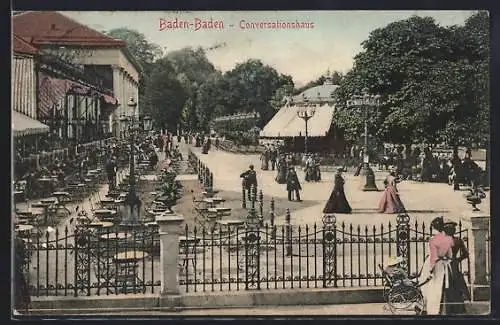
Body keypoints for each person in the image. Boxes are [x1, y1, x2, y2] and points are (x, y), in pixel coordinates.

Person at [419, 217, 455, 315]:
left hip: (434, 264)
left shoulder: (433, 239)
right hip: (444, 265)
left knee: (429, 286)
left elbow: (433, 257)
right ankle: (441, 309)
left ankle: (429, 308)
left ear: (434, 228)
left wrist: (430, 269)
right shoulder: (448, 239)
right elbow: (450, 256)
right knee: (441, 287)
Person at [443, 221, 470, 314]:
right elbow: (466, 254)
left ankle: (448, 309)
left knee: (446, 286)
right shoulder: (458, 240)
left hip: (445, 265)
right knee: (456, 286)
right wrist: (457, 259)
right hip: (454, 264)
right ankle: (459, 308)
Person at [14, 235, 31, 311]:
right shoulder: (19, 241)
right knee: (20, 282)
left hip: (15, 265)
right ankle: (24, 301)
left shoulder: (18, 241)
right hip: (16, 265)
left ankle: (22, 301)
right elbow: (22, 255)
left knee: (19, 283)